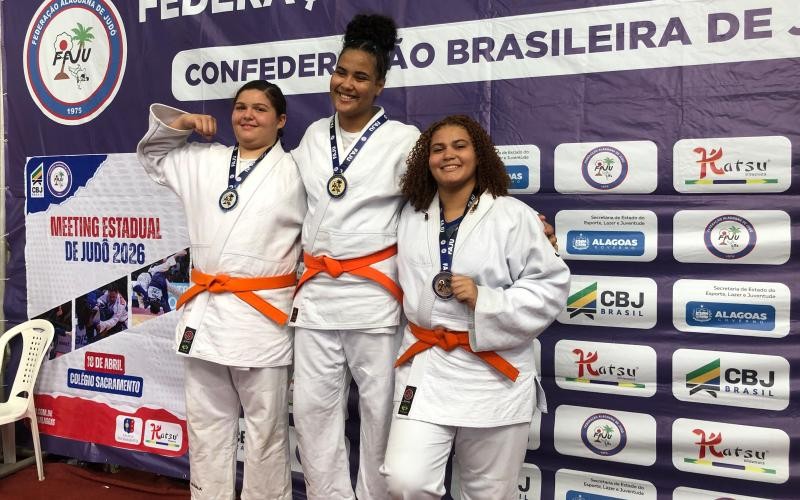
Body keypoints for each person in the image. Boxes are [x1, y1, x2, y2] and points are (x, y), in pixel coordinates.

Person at [381, 115, 571, 500]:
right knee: (406, 480)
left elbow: (551, 286)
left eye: (459, 146)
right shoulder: (410, 215)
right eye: (438, 149)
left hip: (492, 374)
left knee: (489, 493)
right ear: (426, 161)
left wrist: (487, 299)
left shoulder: (512, 215)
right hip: (428, 364)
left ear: (479, 155)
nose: (448, 155)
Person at [136, 80, 305, 500]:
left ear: (281, 120)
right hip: (206, 316)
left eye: (260, 109)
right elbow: (154, 156)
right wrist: (182, 123)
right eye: (241, 107)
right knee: (206, 426)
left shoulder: (298, 170)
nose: (248, 115)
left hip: (261, 319)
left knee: (266, 432)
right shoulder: (205, 160)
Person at [289, 13, 420, 500]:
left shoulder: (404, 140)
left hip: (372, 297)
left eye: (360, 77)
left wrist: (519, 219)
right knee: (312, 411)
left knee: (380, 413)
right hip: (317, 297)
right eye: (341, 72)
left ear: (379, 85)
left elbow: (447, 194)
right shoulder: (312, 136)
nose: (346, 84)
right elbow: (280, 196)